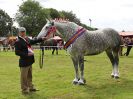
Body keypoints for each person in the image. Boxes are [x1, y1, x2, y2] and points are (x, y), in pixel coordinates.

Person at [14, 27, 47, 95]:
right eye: (21, 32)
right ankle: (24, 90)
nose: (23, 33)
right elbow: (17, 52)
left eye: (24, 31)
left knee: (30, 76)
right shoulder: (18, 41)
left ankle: (31, 87)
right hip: (24, 61)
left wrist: (41, 39)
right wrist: (26, 54)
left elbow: (33, 41)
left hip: (30, 61)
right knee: (24, 77)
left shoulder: (27, 39)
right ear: (19, 33)